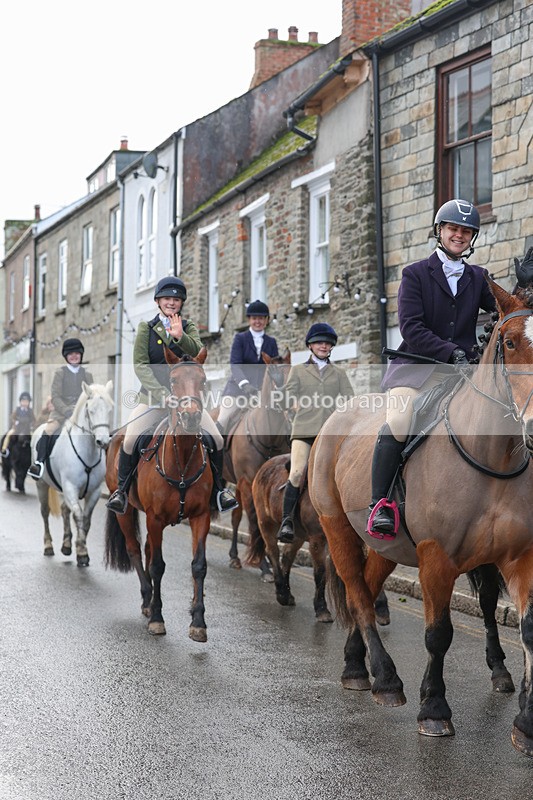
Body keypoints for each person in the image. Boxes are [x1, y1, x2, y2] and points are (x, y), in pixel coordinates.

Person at [368, 198, 497, 537]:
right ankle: (381, 504)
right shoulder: (414, 275)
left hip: (462, 373)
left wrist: (526, 288)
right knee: (398, 421)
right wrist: (451, 351)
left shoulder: (478, 277)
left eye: (466, 231)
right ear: (440, 231)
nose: (460, 235)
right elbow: (411, 328)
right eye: (454, 229)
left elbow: (505, 309)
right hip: (416, 370)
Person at [106, 275, 238, 515]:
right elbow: (140, 365)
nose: (171, 303)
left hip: (188, 402)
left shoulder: (188, 328)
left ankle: (219, 491)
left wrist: (179, 337)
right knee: (130, 439)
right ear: (158, 301)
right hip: (153, 400)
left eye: (176, 300)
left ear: (181, 304)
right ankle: (122, 492)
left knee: (217, 439)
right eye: (167, 298)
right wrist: (161, 394)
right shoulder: (146, 328)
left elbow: (199, 353)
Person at [277, 322, 353, 543]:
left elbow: (349, 398)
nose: (324, 346)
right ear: (310, 345)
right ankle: (287, 521)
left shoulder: (339, 373)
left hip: (330, 431)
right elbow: (287, 395)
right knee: (298, 472)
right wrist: (292, 403)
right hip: (304, 430)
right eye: (320, 342)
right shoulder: (299, 371)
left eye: (328, 343)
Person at [28, 338, 93, 479]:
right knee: (48, 431)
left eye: (77, 353)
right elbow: (55, 396)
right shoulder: (60, 373)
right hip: (61, 413)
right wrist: (67, 411)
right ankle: (39, 463)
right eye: (70, 354)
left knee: (98, 432)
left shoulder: (87, 374)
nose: (74, 356)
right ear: (66, 356)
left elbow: (91, 395)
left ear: (81, 354)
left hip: (81, 414)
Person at [216, 300, 279, 434]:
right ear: (249, 319)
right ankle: (215, 452)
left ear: (267, 320)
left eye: (261, 318)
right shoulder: (240, 338)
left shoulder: (271, 342)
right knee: (223, 420)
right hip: (236, 392)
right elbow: (235, 364)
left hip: (261, 393)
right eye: (255, 318)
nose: (258, 321)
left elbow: (274, 367)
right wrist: (244, 384)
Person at [1, 391, 36, 457]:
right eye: (23, 401)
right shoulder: (17, 410)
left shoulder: (30, 411)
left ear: (29, 402)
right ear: (20, 402)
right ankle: (4, 449)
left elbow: (33, 420)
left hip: (27, 429)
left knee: (33, 436)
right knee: (8, 435)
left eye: (26, 401)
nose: (25, 403)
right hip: (17, 428)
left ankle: (34, 450)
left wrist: (31, 424)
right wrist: (15, 422)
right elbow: (12, 417)